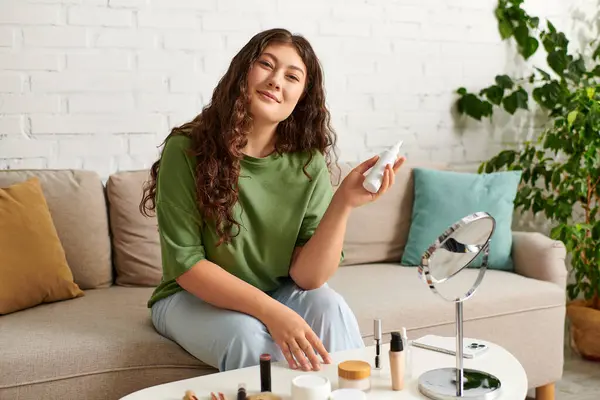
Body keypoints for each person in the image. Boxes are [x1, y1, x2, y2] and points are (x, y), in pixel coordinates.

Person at [140, 28, 405, 373]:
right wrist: (273, 312)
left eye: (292, 76)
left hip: (278, 291)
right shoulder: (187, 148)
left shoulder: (307, 162)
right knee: (247, 337)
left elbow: (308, 278)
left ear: (301, 97)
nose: (276, 81)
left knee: (329, 306)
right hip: (187, 297)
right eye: (266, 65)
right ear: (242, 72)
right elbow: (188, 267)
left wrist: (343, 203)